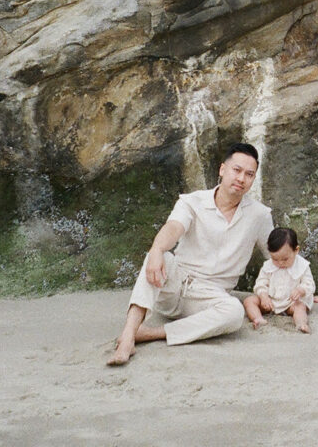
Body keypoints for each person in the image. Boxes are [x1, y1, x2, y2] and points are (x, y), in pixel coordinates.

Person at [107, 142, 272, 365]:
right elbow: (174, 227)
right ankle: (128, 336)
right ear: (222, 169)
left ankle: (149, 334)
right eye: (237, 170)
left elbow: (278, 255)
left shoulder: (259, 215)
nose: (242, 178)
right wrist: (156, 250)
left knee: (234, 312)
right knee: (159, 256)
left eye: (249, 174)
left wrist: (301, 286)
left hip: (209, 297)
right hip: (175, 284)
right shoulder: (192, 201)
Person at [243, 227, 316, 333]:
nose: (280, 263)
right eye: (275, 259)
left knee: (300, 306)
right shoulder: (268, 266)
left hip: (291, 302)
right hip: (271, 301)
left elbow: (309, 283)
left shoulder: (302, 266)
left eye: (285, 259)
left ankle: (301, 324)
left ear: (296, 250)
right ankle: (258, 319)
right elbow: (260, 283)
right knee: (249, 301)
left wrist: (301, 290)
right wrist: (264, 297)